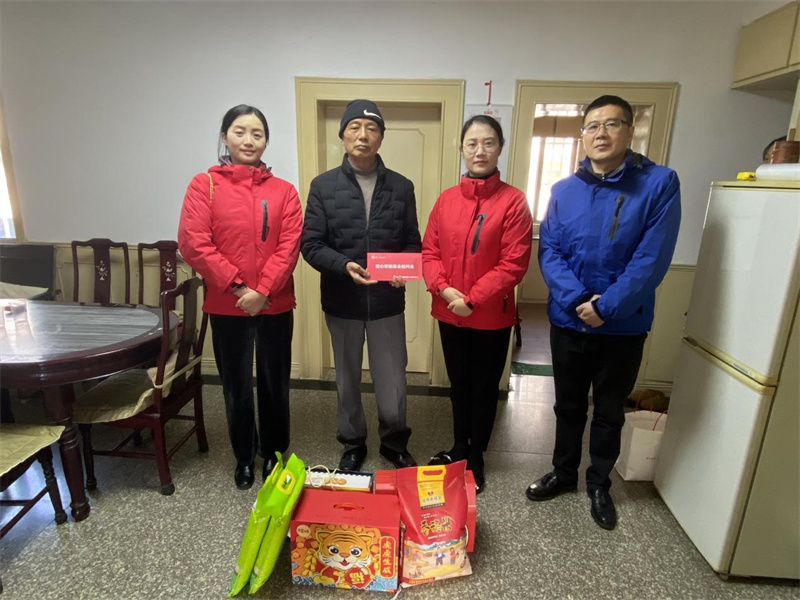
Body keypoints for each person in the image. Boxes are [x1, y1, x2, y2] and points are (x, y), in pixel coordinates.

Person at [526, 95, 681, 530]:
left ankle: (599, 484)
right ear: (583, 135)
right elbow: (550, 250)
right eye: (592, 126)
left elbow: (652, 257)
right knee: (568, 405)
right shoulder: (564, 190)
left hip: (622, 326)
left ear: (630, 132)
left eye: (612, 124)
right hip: (568, 321)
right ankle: (563, 473)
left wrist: (606, 307)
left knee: (609, 411)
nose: (601, 133)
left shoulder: (659, 183)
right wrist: (578, 300)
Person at [178, 104, 302, 490]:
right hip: (227, 305)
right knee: (236, 385)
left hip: (274, 304)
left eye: (257, 134)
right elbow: (194, 243)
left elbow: (289, 247)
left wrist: (262, 291)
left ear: (266, 141)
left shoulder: (284, 192)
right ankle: (244, 455)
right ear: (225, 136)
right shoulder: (204, 185)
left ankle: (275, 452)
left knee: (274, 381)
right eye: (239, 131)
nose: (249, 140)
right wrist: (238, 287)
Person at [301, 99, 420, 471]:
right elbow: (311, 244)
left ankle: (394, 442)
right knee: (347, 380)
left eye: (371, 129)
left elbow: (412, 241)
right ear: (343, 136)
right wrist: (343, 265)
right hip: (343, 301)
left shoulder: (401, 186)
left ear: (381, 138)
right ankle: (352, 443)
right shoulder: (323, 186)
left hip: (387, 302)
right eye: (354, 127)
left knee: (393, 381)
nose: (363, 135)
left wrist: (405, 268)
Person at [421, 115, 533, 494]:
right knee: (459, 385)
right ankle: (458, 448)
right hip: (449, 312)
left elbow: (513, 263)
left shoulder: (513, 202)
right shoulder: (446, 200)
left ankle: (477, 456)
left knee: (484, 389)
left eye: (488, 143)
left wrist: (472, 299)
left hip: (490, 318)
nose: (479, 151)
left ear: (500, 148)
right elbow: (429, 251)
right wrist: (444, 290)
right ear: (462, 149)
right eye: (472, 143)